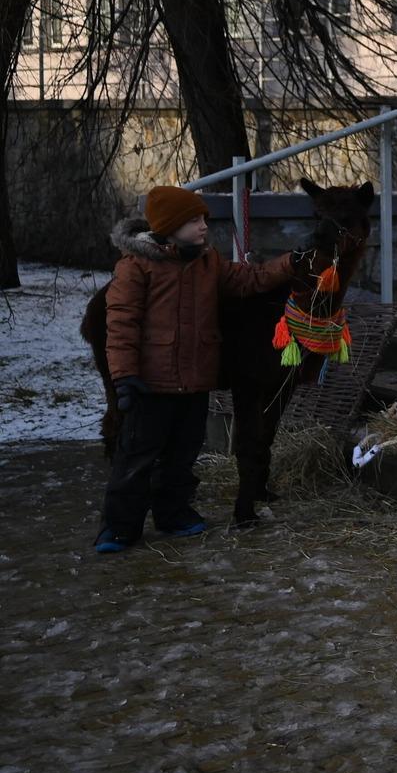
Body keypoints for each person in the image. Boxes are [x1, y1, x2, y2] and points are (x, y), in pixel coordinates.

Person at [96, 186, 302, 554]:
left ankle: (174, 514)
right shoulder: (136, 266)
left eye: (204, 219)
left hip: (194, 383)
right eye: (194, 220)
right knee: (138, 457)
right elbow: (122, 324)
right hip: (150, 385)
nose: (204, 226)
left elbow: (249, 279)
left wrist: (290, 263)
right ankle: (119, 527)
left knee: (182, 455)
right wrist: (124, 377)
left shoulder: (209, 263)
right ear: (170, 226)